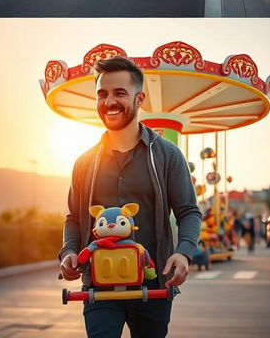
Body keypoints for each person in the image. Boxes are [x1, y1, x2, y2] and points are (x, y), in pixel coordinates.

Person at [59, 56, 201, 338]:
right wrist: (69, 251)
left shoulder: (167, 156)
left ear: (140, 98)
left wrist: (183, 253)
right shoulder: (84, 162)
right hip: (97, 290)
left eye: (119, 93)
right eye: (102, 94)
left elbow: (189, 212)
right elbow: (74, 218)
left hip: (155, 286)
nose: (109, 101)